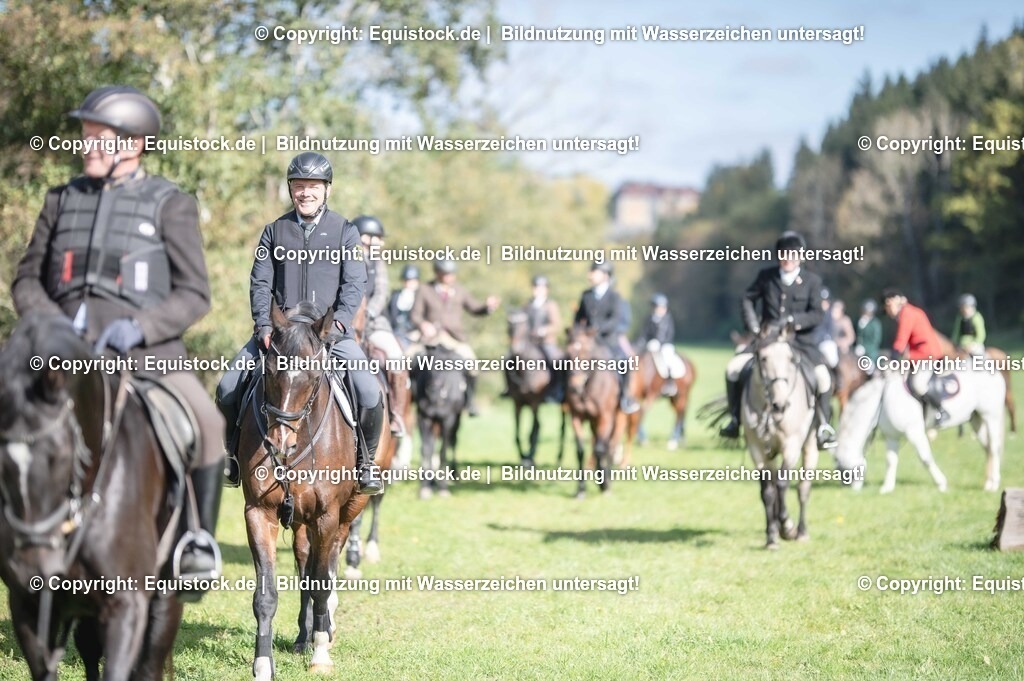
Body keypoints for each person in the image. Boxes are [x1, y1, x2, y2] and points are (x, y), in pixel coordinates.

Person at [11, 85, 225, 587]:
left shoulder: (171, 204)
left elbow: (195, 294)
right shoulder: (61, 200)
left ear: (132, 144)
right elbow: (26, 280)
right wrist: (53, 324)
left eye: (96, 138)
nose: (84, 146)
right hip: (60, 352)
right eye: (84, 136)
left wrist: (141, 328)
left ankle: (198, 545)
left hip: (148, 357)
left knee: (210, 424)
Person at [216, 152, 383, 495]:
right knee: (227, 386)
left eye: (313, 186)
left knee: (368, 389)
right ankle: (231, 457)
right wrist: (264, 326)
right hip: (280, 334)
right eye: (299, 186)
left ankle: (365, 465)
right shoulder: (274, 232)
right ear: (291, 189)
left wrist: (337, 325)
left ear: (326, 190)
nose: (305, 192)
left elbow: (355, 284)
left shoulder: (345, 232)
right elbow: (260, 283)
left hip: (329, 334)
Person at [719, 231, 837, 449]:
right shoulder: (766, 276)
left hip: (801, 343)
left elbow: (817, 315)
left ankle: (823, 427)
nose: (788, 259)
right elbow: (747, 299)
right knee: (733, 369)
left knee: (823, 379)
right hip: (767, 340)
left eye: (793, 255)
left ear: (801, 256)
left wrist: (793, 320)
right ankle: (735, 419)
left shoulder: (812, 281)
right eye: (784, 254)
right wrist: (753, 326)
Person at [407, 259, 500, 416]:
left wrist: (487, 307)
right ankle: (406, 398)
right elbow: (415, 314)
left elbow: (475, 308)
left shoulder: (460, 290)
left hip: (454, 339)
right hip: (430, 339)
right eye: (445, 274)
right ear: (437, 273)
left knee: (473, 365)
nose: (448, 278)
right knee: (405, 360)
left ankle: (470, 401)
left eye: (451, 274)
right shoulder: (424, 289)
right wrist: (423, 324)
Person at [352, 215, 407, 436]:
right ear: (361, 238)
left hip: (374, 323)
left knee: (395, 355)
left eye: (379, 238)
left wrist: (369, 312)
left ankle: (396, 415)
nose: (378, 242)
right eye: (374, 237)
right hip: (345, 321)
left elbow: (382, 292)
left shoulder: (378, 261)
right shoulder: (340, 257)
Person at [573, 261, 640, 414]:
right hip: (588, 342)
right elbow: (578, 318)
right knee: (568, 359)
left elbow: (615, 320)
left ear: (605, 275)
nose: (590, 275)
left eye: (594, 271)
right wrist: (578, 333)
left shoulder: (615, 296)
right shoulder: (586, 295)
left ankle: (625, 397)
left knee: (625, 362)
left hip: (608, 341)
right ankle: (562, 392)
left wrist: (597, 329)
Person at [882, 288, 948, 424]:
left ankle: (941, 410)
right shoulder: (906, 312)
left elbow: (901, 339)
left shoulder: (908, 313)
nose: (888, 311)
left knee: (919, 384)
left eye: (888, 306)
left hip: (926, 355)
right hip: (917, 355)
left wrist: (894, 358)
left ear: (894, 301)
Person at [636, 293, 685, 397]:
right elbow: (644, 334)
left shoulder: (667, 319)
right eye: (658, 307)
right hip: (651, 346)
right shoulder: (649, 319)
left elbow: (669, 334)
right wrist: (640, 344)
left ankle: (670, 383)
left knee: (668, 359)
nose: (660, 309)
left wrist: (659, 343)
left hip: (665, 346)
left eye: (662, 307)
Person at [524, 275, 564, 401]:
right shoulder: (527, 305)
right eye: (536, 287)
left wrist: (544, 331)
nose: (538, 290)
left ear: (546, 290)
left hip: (547, 342)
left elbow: (557, 325)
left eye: (541, 288)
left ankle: (557, 389)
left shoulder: (551, 305)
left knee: (556, 362)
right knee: (510, 359)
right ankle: (512, 388)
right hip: (530, 343)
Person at [387, 264, 421, 348]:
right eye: (407, 280)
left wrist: (419, 331)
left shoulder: (420, 297)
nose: (409, 284)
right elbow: (388, 315)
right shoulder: (395, 295)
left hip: (415, 334)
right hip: (396, 333)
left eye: (412, 281)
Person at [814, 288, 839, 369]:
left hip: (824, 342)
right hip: (813, 342)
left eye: (826, 302)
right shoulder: (813, 314)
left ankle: (836, 377)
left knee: (833, 361)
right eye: (822, 302)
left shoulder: (829, 315)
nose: (824, 304)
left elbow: (830, 330)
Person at [854, 299, 882, 368]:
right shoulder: (860, 321)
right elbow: (858, 337)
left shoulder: (875, 324)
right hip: (858, 351)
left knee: (869, 368)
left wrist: (865, 348)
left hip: (871, 352)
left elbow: (876, 341)